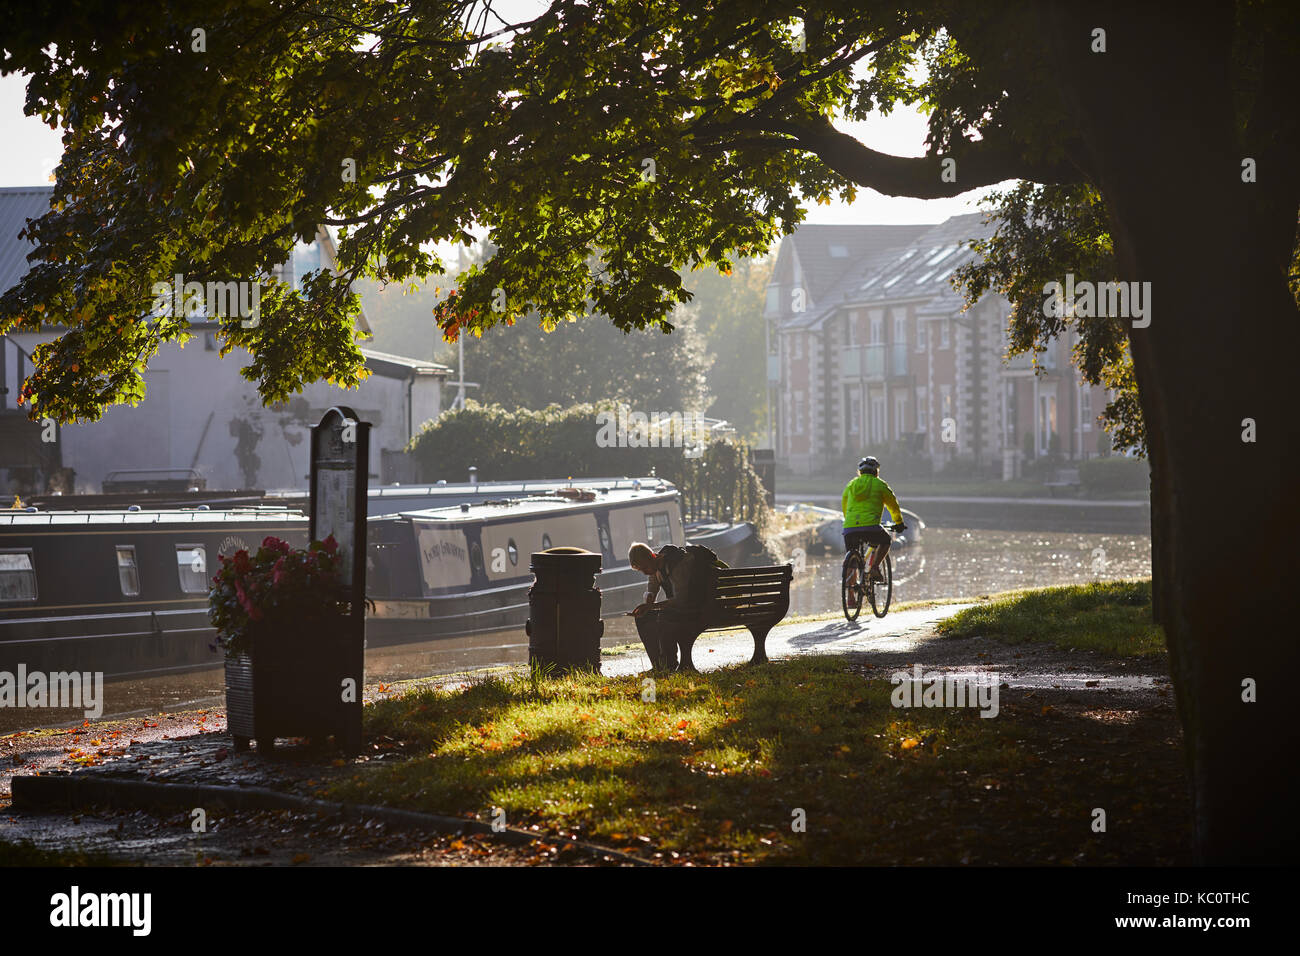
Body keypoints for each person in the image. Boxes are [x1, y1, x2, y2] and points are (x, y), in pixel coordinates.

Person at [627, 541, 712, 671]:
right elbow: (652, 586)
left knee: (664, 617)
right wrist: (649, 600)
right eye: (641, 570)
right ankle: (658, 664)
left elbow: (680, 599)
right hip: (684, 607)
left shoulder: (677, 564)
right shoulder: (655, 566)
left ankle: (668, 663)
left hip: (697, 607)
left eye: (644, 568)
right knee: (643, 617)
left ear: (652, 556)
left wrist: (652, 607)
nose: (644, 573)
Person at [842, 456, 906, 586]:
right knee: (886, 540)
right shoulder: (880, 485)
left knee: (851, 561)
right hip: (871, 527)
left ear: (860, 472)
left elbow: (844, 505)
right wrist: (899, 523)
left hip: (850, 527)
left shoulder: (851, 485)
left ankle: (850, 598)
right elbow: (893, 506)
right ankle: (875, 568)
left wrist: (850, 521)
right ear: (876, 472)